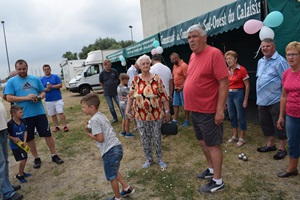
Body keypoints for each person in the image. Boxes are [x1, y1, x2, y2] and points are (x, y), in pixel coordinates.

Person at [184, 24, 229, 193]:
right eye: (189, 38)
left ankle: (218, 181)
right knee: (202, 141)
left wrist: (219, 110)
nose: (191, 40)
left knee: (213, 145)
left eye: (194, 36)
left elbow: (224, 82)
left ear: (204, 38)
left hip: (209, 109)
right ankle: (211, 169)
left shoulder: (214, 53)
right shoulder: (193, 56)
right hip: (196, 109)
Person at [4, 59, 64, 169]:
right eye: (19, 69)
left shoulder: (35, 79)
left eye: (24, 69)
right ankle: (36, 158)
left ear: (27, 67)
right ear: (16, 69)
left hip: (39, 112)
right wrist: (25, 98)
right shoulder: (11, 82)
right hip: (24, 115)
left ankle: (54, 155)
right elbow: (8, 97)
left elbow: (43, 91)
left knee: (47, 134)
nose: (22, 71)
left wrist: (40, 97)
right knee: (30, 138)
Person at [80, 93, 135, 200]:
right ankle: (126, 188)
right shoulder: (100, 115)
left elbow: (101, 139)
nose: (82, 109)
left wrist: (89, 134)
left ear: (92, 107)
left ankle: (117, 198)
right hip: (117, 147)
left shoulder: (94, 120)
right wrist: (90, 126)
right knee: (113, 170)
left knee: (111, 177)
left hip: (109, 151)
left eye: (83, 107)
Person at [126, 54, 170, 169]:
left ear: (150, 65)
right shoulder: (136, 80)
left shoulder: (156, 79)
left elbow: (164, 96)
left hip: (156, 114)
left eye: (147, 63)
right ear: (139, 66)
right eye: (143, 64)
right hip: (140, 115)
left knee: (156, 137)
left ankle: (159, 158)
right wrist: (127, 110)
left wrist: (167, 111)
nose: (145, 65)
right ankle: (149, 159)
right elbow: (130, 96)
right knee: (144, 137)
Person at [256, 38, 290, 160]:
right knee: (265, 123)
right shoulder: (260, 61)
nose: (265, 48)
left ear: (274, 47)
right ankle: (270, 144)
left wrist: (283, 98)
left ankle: (282, 148)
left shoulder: (280, 61)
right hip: (262, 99)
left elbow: (286, 80)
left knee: (279, 124)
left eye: (268, 46)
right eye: (263, 46)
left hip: (276, 99)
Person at [277, 41, 300, 177]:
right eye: (288, 54)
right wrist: (281, 116)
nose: (290, 57)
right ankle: (292, 169)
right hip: (291, 115)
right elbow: (284, 96)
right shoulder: (286, 73)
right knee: (292, 143)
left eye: (294, 54)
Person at [225, 50, 250, 147]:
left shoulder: (242, 69)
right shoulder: (226, 70)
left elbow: (247, 86)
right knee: (231, 115)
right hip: (229, 94)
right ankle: (234, 135)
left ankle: (242, 137)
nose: (228, 60)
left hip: (238, 93)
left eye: (230, 58)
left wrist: (245, 99)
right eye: (227, 59)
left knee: (240, 116)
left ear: (235, 59)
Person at [0, 100, 24, 200]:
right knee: (1, 163)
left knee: (5, 161)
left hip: (2, 129)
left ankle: (5, 186)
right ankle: (7, 193)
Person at [40, 64, 69, 132]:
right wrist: (46, 89)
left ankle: (64, 126)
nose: (47, 70)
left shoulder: (55, 77)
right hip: (48, 100)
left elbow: (60, 85)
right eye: (45, 69)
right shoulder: (42, 79)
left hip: (57, 98)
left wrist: (52, 86)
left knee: (60, 112)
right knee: (52, 114)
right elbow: (40, 89)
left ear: (50, 69)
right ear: (43, 70)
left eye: (48, 69)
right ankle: (56, 126)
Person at [7, 105, 32, 183]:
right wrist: (13, 138)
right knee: (23, 159)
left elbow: (25, 131)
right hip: (15, 146)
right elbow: (6, 134)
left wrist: (24, 141)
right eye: (20, 112)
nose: (22, 113)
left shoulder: (23, 121)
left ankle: (22, 172)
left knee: (25, 157)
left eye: (22, 112)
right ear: (14, 114)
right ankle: (19, 175)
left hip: (22, 144)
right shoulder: (10, 124)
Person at [169, 52, 190, 127]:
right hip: (176, 89)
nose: (172, 62)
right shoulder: (174, 66)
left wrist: (182, 87)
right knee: (175, 104)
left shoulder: (184, 65)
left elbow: (187, 78)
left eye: (172, 60)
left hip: (183, 89)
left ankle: (187, 120)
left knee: (185, 105)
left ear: (176, 58)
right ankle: (175, 119)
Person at [117, 73, 134, 138]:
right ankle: (128, 133)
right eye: (127, 80)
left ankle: (123, 131)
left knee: (124, 117)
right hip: (126, 104)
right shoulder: (125, 88)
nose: (128, 81)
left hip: (120, 103)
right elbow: (131, 93)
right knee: (127, 118)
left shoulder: (118, 87)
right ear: (124, 80)